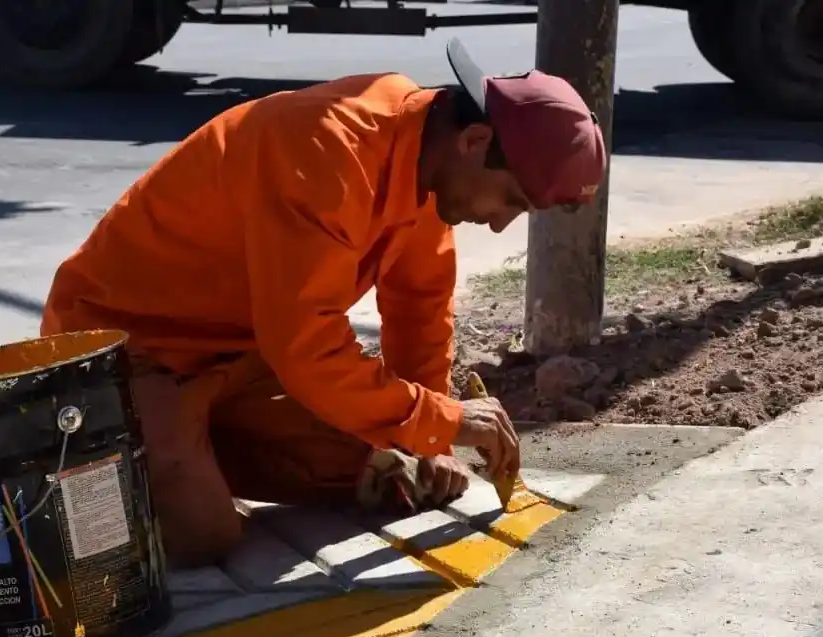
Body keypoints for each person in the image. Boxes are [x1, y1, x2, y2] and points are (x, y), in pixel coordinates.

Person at [41, 39, 607, 568]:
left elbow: (419, 310)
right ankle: (71, 461)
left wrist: (435, 436)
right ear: (475, 142)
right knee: (203, 535)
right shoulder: (328, 148)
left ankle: (179, 451)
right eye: (511, 199)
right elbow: (306, 349)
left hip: (238, 353)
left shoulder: (429, 166)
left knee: (386, 470)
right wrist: (445, 420)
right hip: (125, 353)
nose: (502, 223)